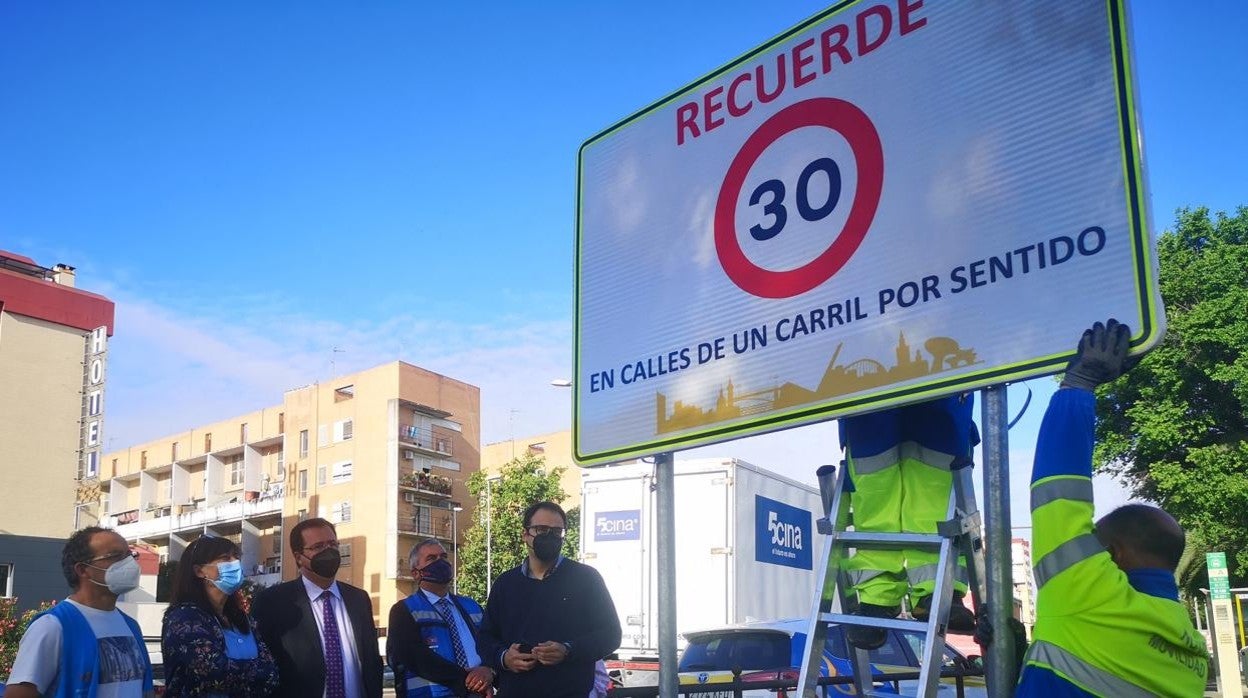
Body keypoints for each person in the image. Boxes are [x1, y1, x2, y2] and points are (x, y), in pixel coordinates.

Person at [1016, 319, 1209, 697]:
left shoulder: (1091, 594)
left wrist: (1079, 385)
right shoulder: (1191, 649)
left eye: (1094, 545)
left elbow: (1059, 490)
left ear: (1112, 553)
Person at [839, 394, 979, 649]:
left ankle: (937, 589)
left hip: (934, 372)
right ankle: (878, 598)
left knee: (932, 483)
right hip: (871, 377)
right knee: (876, 488)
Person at [478, 501, 622, 698]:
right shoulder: (505, 583)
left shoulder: (586, 579)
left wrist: (568, 650)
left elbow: (610, 635)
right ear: (525, 534)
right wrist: (504, 658)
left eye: (556, 531)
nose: (549, 536)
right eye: (541, 529)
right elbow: (485, 638)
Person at [4, 526, 155, 698]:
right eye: (115, 556)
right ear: (83, 570)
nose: (129, 563)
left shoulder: (131, 626)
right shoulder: (52, 626)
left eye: (129, 555)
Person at [252, 518, 384, 698]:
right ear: (299, 557)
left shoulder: (359, 599)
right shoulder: (274, 601)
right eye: (318, 546)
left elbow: (372, 661)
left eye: (332, 544)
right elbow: (264, 666)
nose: (328, 551)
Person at [160, 534, 279, 696]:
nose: (235, 563)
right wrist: (260, 672)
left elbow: (272, 671)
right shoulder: (184, 618)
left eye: (236, 557)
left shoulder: (242, 619)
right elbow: (211, 671)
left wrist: (262, 673)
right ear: (199, 571)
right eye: (225, 558)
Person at [387, 539, 493, 697]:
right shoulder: (403, 610)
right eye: (431, 558)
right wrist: (467, 680)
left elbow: (491, 644)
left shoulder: (472, 606)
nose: (440, 562)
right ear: (416, 573)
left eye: (443, 556)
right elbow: (415, 657)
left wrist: (488, 671)